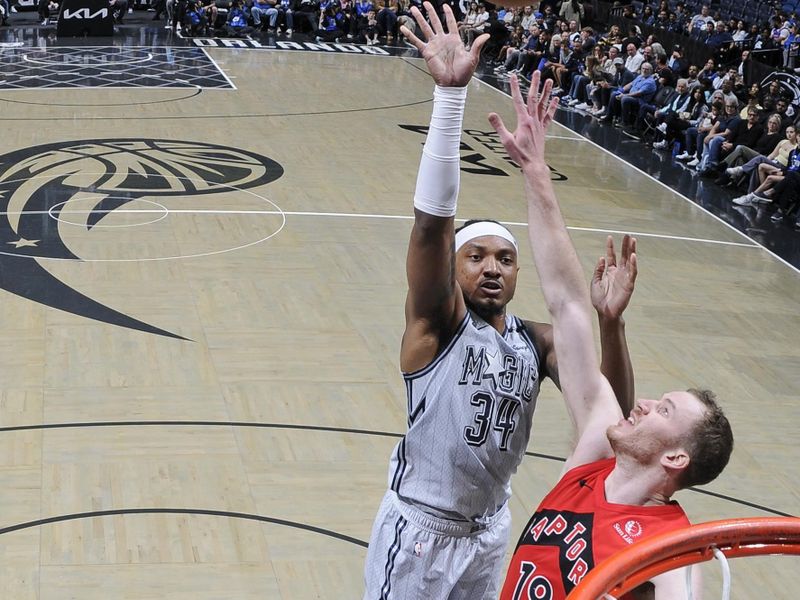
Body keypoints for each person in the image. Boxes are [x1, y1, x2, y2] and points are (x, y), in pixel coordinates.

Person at [363, 4, 637, 598]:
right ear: (454, 267)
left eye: (505, 259)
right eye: (476, 256)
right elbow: (430, 229)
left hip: (489, 534)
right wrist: (451, 100)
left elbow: (609, 416)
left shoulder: (533, 343)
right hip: (419, 532)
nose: (492, 268)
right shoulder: (434, 326)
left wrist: (609, 325)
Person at [487, 70, 734, 600]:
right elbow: (569, 305)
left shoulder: (671, 551)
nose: (643, 404)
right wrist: (535, 172)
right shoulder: (592, 462)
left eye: (664, 411)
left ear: (675, 460)